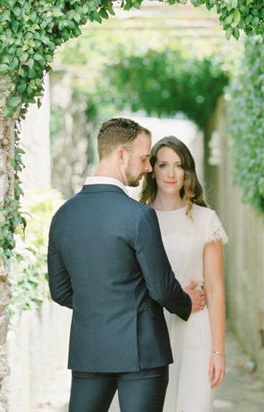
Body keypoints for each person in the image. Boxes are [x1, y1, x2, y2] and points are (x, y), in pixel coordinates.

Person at [48, 117, 207, 412]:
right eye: (145, 158)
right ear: (122, 155)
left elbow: (59, 291)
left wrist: (100, 307)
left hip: (89, 350)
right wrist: (186, 301)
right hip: (142, 351)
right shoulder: (138, 216)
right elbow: (161, 287)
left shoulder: (62, 216)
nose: (148, 168)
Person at [140, 136, 228, 412]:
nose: (171, 173)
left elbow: (214, 289)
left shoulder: (205, 220)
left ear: (187, 171)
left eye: (178, 166)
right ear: (152, 169)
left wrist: (218, 351)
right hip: (151, 328)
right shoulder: (138, 217)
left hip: (195, 329)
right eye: (163, 165)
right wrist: (175, 295)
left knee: (194, 404)